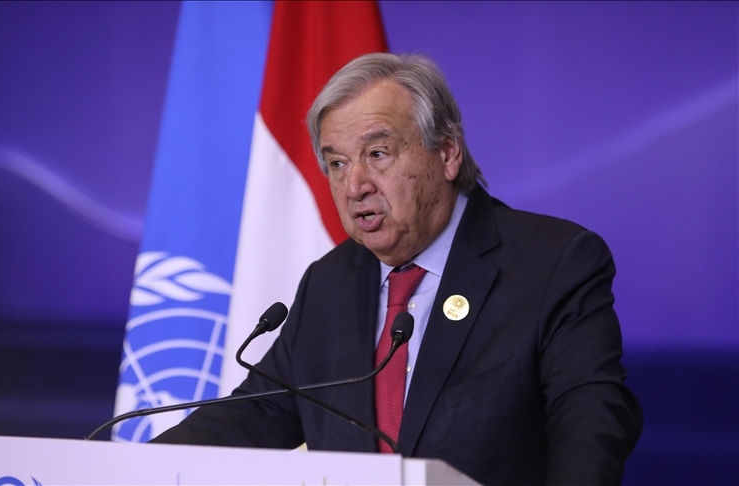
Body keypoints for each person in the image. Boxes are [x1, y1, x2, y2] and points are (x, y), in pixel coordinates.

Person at [152, 53, 643, 485]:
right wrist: (129, 468)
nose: (355, 186)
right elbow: (255, 415)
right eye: (337, 164)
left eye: (377, 154)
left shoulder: (552, 263)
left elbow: (590, 424)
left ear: (447, 153)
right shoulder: (329, 282)